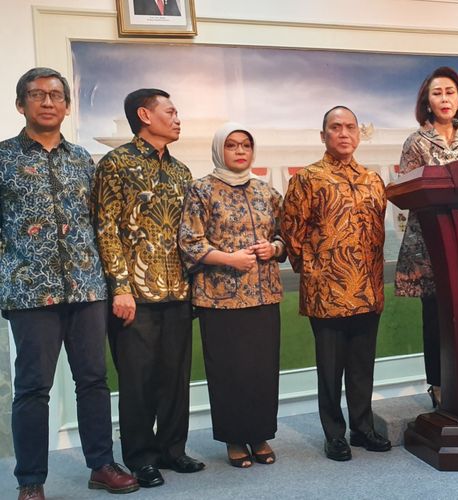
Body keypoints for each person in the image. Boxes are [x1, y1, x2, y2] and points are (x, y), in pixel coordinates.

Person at [1, 67, 138, 500]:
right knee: (32, 389)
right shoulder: (3, 158)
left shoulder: (82, 159)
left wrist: (115, 283)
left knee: (94, 381)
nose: (47, 101)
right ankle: (30, 481)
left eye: (56, 95)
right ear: (20, 104)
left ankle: (101, 464)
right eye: (37, 95)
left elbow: (100, 226)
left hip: (85, 289)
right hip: (29, 291)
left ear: (66, 105)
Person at [93, 88, 204, 488]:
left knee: (175, 377)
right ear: (145, 115)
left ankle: (173, 450)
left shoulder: (181, 172)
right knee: (137, 382)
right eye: (170, 111)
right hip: (133, 295)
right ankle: (141, 457)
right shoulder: (115, 164)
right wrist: (120, 287)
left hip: (178, 290)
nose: (177, 118)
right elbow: (105, 229)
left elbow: (190, 236)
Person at [281, 106, 391, 461]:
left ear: (359, 135)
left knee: (362, 366)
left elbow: (377, 232)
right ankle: (334, 434)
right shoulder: (308, 178)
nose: (343, 133)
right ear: (323, 135)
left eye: (350, 127)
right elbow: (291, 232)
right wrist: (314, 270)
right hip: (326, 291)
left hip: (368, 289)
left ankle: (362, 428)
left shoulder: (373, 180)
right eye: (335, 127)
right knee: (330, 370)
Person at [179, 122, 284, 468]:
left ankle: (259, 435)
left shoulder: (265, 191)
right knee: (228, 371)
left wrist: (274, 248)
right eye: (232, 146)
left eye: (246, 146)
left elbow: (286, 236)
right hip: (219, 298)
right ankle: (234, 439)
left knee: (261, 370)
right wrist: (230, 259)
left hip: (264, 295)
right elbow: (190, 243)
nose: (240, 152)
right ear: (219, 150)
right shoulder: (202, 190)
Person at [394, 66, 458, 408]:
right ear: (427, 103)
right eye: (437, 93)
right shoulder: (415, 141)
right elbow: (404, 190)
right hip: (428, 241)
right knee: (436, 316)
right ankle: (439, 384)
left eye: (450, 92)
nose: (444, 99)